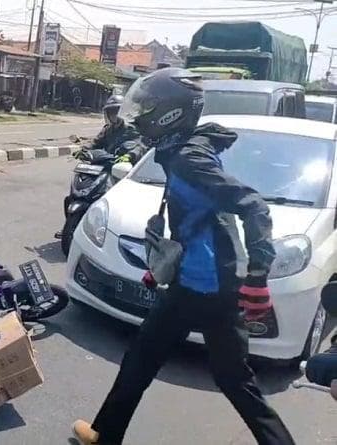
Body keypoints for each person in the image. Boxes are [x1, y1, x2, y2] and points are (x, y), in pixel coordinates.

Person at [72, 68, 295, 445]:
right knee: (217, 376)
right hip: (197, 282)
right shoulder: (182, 150)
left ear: (171, 112)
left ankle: (104, 436)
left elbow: (254, 206)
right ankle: (104, 435)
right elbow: (199, 219)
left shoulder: (190, 158)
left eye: (148, 109)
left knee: (161, 364)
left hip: (206, 287)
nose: (140, 117)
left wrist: (258, 277)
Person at [76, 95, 145, 164]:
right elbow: (95, 142)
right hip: (107, 162)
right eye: (111, 112)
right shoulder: (107, 129)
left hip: (123, 165)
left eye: (116, 112)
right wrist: (83, 150)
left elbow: (139, 146)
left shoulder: (131, 129)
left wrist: (130, 155)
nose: (114, 115)